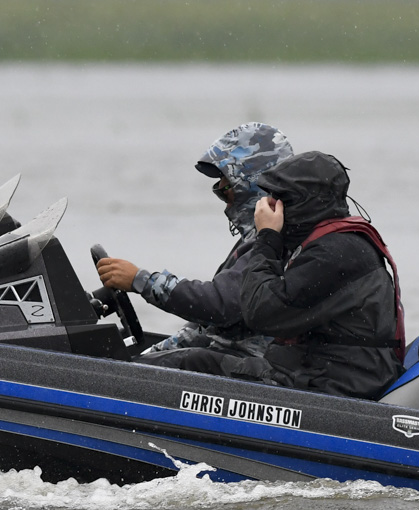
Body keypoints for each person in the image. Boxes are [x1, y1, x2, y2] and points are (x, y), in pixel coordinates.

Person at [135, 151, 404, 400]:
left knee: (192, 363)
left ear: (305, 202)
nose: (269, 205)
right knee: (203, 355)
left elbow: (260, 312)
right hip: (324, 368)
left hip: (338, 382)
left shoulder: (335, 252)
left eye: (280, 198)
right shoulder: (334, 243)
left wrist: (267, 237)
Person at [96, 122, 294, 362]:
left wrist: (141, 281)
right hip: (227, 353)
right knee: (126, 358)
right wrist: (144, 357)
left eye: (226, 185)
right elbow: (206, 324)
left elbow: (220, 305)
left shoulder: (274, 240)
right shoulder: (256, 237)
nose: (222, 191)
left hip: (250, 365)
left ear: (250, 182)